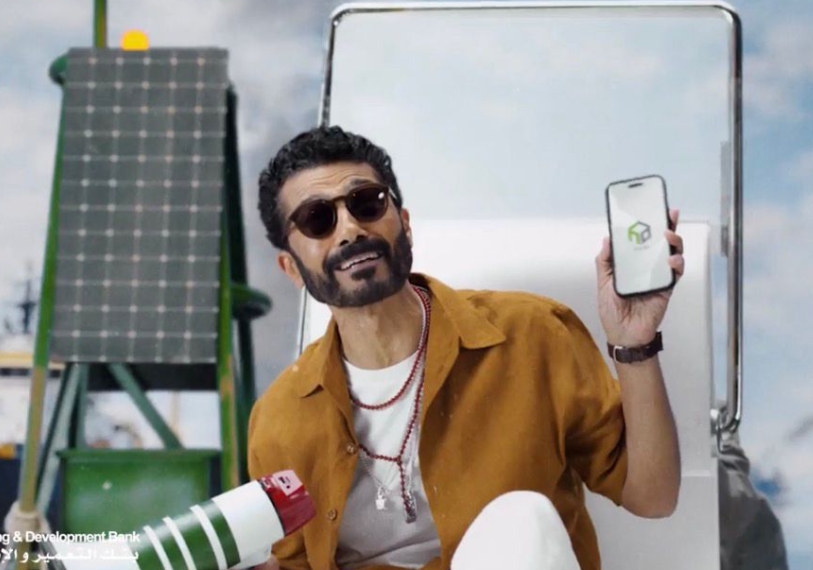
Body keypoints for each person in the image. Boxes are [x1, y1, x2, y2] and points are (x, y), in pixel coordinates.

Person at [247, 126, 684, 570]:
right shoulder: (278, 419)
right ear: (291, 268)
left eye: (367, 203)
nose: (351, 229)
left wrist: (635, 343)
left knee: (521, 519)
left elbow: (653, 495)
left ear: (405, 224)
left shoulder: (534, 335)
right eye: (317, 219)